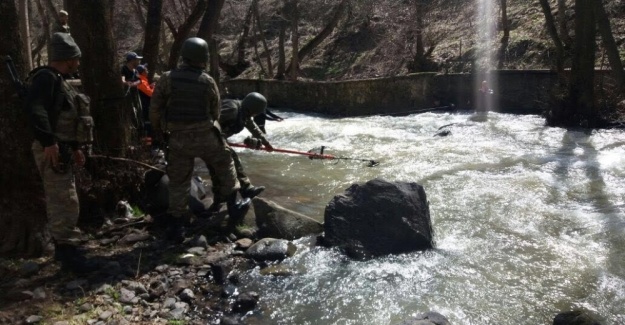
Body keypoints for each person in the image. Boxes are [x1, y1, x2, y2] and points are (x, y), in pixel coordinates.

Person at [150, 37, 250, 236]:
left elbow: (155, 111)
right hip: (206, 136)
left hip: (177, 138)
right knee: (225, 164)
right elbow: (215, 112)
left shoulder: (166, 79)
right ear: (203, 58)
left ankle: (177, 224)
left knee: (179, 182)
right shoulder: (207, 80)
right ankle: (234, 205)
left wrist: (160, 134)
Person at [27, 33, 95, 273]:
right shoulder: (45, 78)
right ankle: (66, 250)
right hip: (53, 148)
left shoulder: (60, 80)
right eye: (75, 59)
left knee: (67, 197)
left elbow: (67, 119)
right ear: (68, 59)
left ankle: (69, 245)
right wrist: (48, 142)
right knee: (62, 199)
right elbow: (37, 110)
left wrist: (75, 148)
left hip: (62, 147)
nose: (77, 63)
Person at [215, 92, 274, 206]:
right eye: (255, 112)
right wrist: (222, 141)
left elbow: (253, 127)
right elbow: (212, 125)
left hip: (218, 139)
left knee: (233, 160)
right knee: (229, 162)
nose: (255, 114)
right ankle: (227, 199)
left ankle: (246, 189)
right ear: (251, 108)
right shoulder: (231, 109)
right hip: (209, 138)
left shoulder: (244, 112)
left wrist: (266, 144)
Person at [121, 52, 143, 132]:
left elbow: (139, 81)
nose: (139, 61)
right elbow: (122, 79)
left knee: (139, 110)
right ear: (132, 60)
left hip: (135, 94)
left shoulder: (135, 71)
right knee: (130, 112)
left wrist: (134, 84)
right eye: (137, 60)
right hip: (127, 94)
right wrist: (126, 83)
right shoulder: (124, 69)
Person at [136, 64, 154, 139]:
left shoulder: (143, 81)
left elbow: (147, 91)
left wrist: (150, 87)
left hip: (145, 106)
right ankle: (147, 145)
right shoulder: (142, 82)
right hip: (144, 107)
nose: (148, 71)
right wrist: (155, 88)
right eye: (146, 70)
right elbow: (151, 94)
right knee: (147, 126)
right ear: (142, 72)